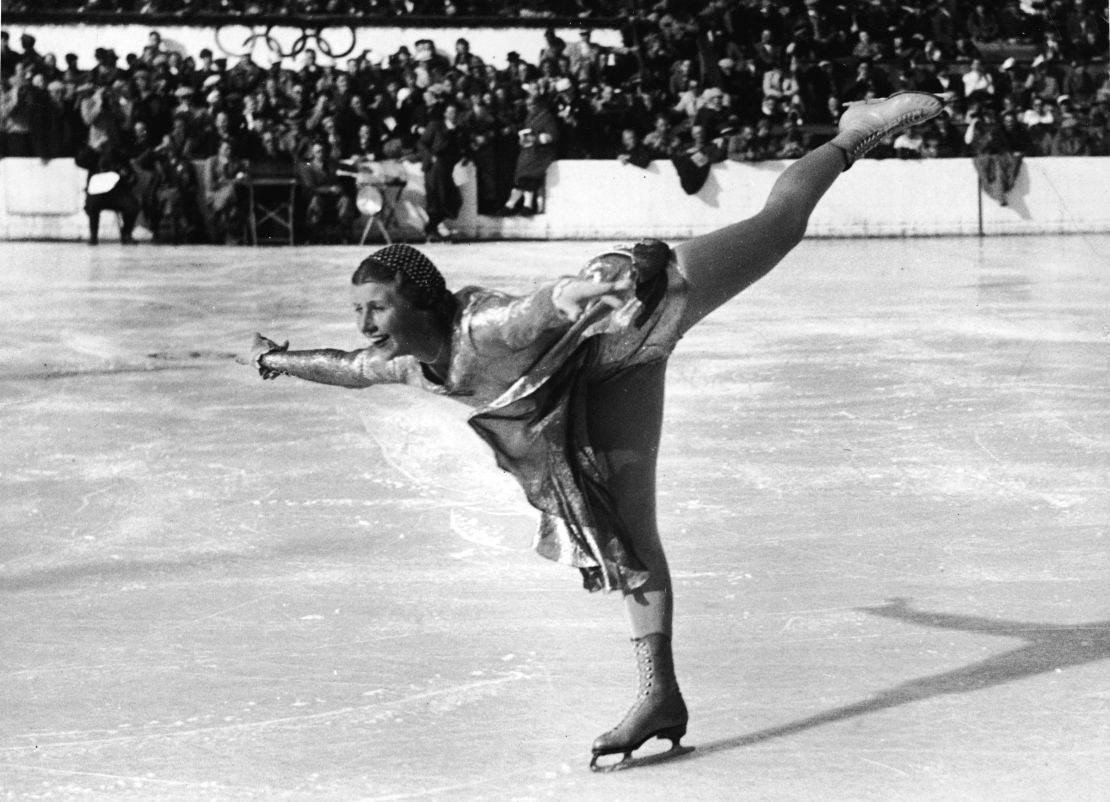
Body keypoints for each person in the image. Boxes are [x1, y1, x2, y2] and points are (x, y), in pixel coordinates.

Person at [249, 91, 945, 771]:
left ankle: (851, 135)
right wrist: (277, 359)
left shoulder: (482, 329)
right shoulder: (405, 366)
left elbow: (537, 307)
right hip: (609, 385)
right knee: (632, 542)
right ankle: (659, 695)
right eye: (358, 310)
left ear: (418, 300)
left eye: (375, 308)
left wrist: (583, 291)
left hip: (639, 310)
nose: (364, 325)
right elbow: (345, 367)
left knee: (783, 221)